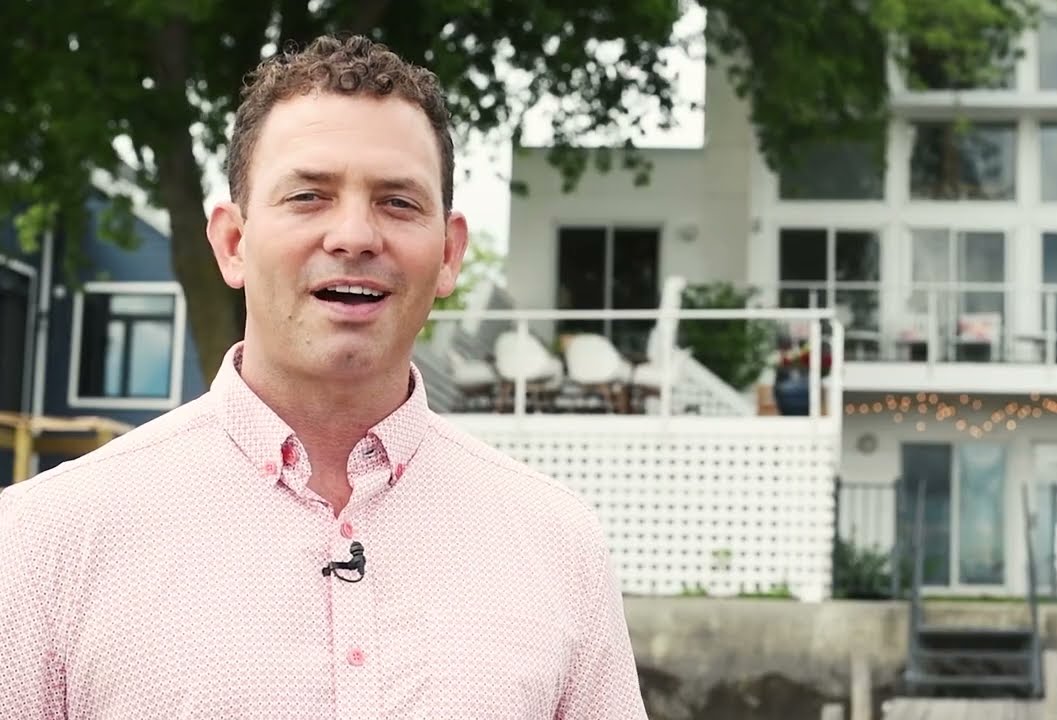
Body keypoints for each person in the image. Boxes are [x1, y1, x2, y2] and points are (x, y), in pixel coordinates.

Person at [0, 34, 646, 719]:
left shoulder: (557, 545)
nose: (354, 236)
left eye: (398, 202)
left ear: (450, 253)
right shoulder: (47, 541)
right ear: (232, 242)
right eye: (309, 195)